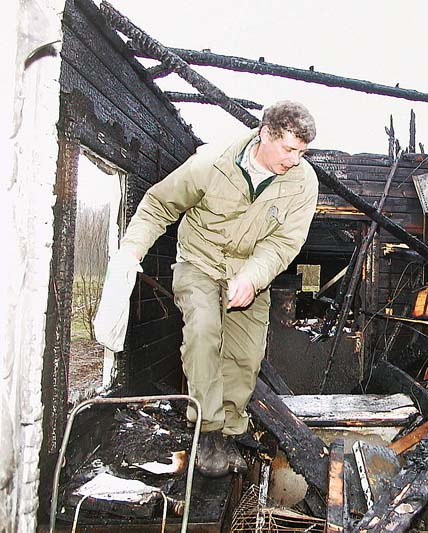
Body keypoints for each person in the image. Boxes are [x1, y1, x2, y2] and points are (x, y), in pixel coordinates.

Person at [115, 100, 318, 477]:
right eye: (289, 149)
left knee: (246, 358)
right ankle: (207, 432)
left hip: (249, 272)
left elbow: (284, 244)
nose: (294, 160)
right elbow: (159, 204)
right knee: (205, 333)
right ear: (264, 134)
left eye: (302, 152)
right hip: (200, 262)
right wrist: (130, 252)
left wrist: (253, 277)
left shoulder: (303, 183)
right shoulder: (212, 164)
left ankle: (229, 430)